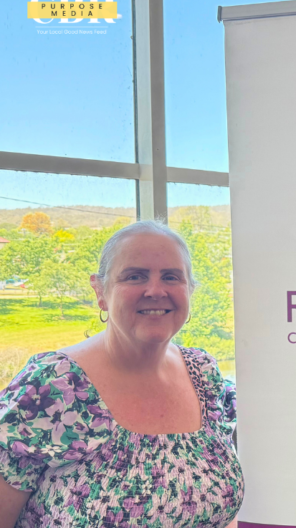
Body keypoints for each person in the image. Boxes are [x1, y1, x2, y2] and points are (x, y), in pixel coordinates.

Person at [0, 221, 243, 528]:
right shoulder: (53, 387)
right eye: (134, 276)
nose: (156, 290)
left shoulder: (205, 376)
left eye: (171, 276)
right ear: (100, 291)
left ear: (190, 290)